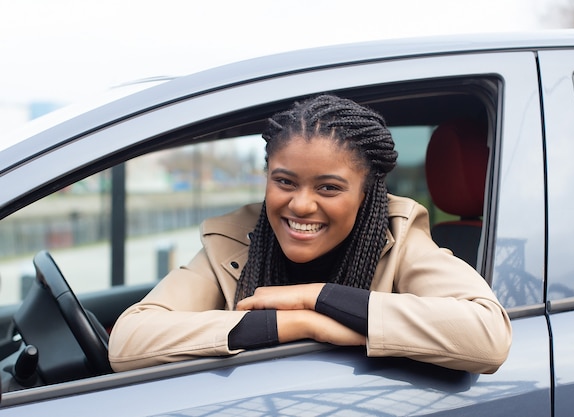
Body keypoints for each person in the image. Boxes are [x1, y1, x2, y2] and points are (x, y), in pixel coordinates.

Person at [108, 94, 512, 374]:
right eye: (285, 182)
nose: (301, 205)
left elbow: (486, 334)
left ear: (366, 194)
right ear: (267, 177)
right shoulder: (234, 238)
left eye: (329, 188)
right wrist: (300, 325)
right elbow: (129, 341)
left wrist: (317, 298)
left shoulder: (399, 237)